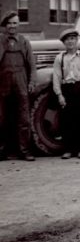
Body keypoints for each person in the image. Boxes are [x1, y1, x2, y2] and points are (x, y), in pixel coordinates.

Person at [52, 29, 80, 159]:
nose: (70, 42)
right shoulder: (60, 58)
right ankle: (68, 149)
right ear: (64, 43)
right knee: (66, 119)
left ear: (76, 41)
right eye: (67, 40)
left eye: (72, 39)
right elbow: (56, 77)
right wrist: (59, 95)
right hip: (67, 89)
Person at [0, 12, 36, 161]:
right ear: (5, 25)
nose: (12, 26)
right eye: (9, 23)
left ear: (18, 25)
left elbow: (32, 65)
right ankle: (3, 150)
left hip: (21, 81)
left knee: (23, 118)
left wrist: (32, 82)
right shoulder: (0, 41)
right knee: (2, 117)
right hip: (3, 83)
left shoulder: (24, 41)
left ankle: (24, 150)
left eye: (15, 23)